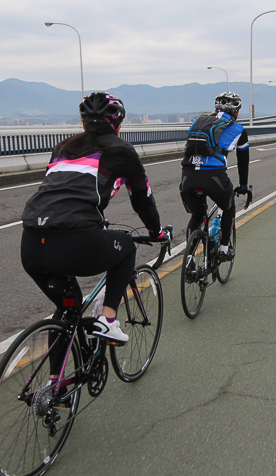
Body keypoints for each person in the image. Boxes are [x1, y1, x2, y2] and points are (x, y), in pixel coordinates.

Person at [21, 91, 168, 344]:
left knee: (68, 310)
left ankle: (55, 382)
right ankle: (108, 320)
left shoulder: (63, 147)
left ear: (83, 122)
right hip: (76, 240)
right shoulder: (122, 151)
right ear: (118, 125)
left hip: (32, 244)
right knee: (126, 247)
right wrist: (157, 232)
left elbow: (60, 193)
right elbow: (142, 199)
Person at [179, 91, 250, 260]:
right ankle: (224, 249)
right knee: (228, 207)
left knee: (197, 215)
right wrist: (244, 186)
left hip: (188, 173)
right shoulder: (239, 129)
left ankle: (188, 260)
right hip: (213, 176)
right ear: (236, 111)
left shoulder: (198, 123)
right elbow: (243, 161)